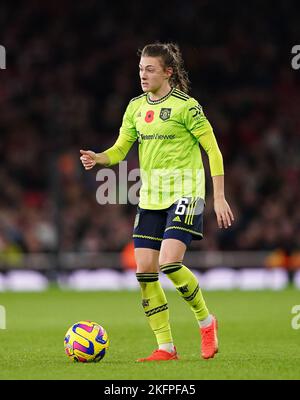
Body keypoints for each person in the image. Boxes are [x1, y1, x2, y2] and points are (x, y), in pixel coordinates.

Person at [80, 42, 234, 362]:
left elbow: (213, 151)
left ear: (168, 72)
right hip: (150, 199)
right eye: (140, 69)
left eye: (150, 69)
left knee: (169, 262)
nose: (143, 75)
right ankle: (166, 347)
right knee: (145, 271)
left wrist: (218, 197)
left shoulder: (186, 107)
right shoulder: (136, 107)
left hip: (186, 194)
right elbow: (121, 150)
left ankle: (206, 322)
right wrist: (99, 157)